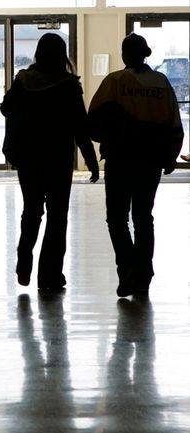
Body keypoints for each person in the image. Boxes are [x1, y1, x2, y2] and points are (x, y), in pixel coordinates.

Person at [0, 33, 99, 291]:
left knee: (31, 211)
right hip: (58, 159)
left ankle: (24, 263)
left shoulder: (23, 81)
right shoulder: (68, 85)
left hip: (29, 157)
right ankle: (50, 275)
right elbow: (80, 127)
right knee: (57, 217)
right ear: (62, 54)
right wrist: (91, 160)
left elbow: (5, 109)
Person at [88, 33, 184, 297]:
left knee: (117, 218)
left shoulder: (115, 81)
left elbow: (93, 120)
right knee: (144, 218)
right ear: (146, 54)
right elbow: (175, 123)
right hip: (150, 161)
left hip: (120, 159)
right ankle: (144, 274)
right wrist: (171, 156)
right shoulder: (162, 83)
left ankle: (127, 267)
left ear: (123, 55)